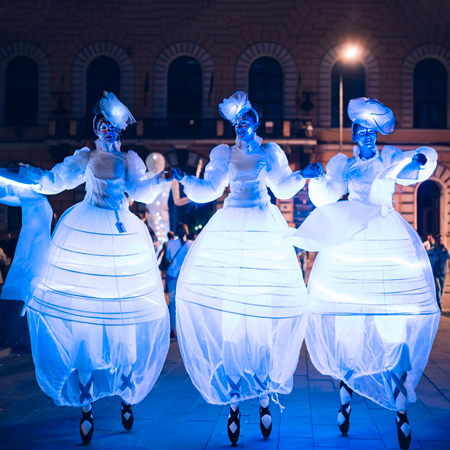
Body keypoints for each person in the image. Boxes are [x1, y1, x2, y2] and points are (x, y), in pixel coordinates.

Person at [3, 92, 172, 445]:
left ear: (119, 130)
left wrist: (160, 180)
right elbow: (55, 181)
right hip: (87, 230)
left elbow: (139, 191)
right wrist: (27, 174)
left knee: (122, 313)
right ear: (97, 128)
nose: (109, 131)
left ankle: (126, 389)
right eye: (103, 125)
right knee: (86, 315)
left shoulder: (129, 159)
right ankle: (86, 398)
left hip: (121, 234)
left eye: (113, 126)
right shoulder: (86, 157)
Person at [172, 91, 321, 446]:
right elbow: (210, 189)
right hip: (231, 225)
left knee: (262, 315)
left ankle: (266, 393)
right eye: (237, 121)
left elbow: (282, 187)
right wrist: (185, 180)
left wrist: (304, 175)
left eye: (247, 118)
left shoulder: (269, 152)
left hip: (262, 225)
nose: (242, 124)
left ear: (256, 120)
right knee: (234, 317)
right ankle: (235, 398)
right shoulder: (225, 153)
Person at [293, 97, 440, 450]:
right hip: (351, 239)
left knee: (393, 324)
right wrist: (314, 179)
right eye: (361, 130)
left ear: (376, 134)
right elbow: (328, 195)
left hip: (386, 236)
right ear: (355, 135)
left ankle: (400, 404)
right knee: (349, 323)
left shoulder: (389, 158)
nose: (367, 135)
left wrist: (418, 162)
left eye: (371, 130)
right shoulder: (344, 165)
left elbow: (409, 170)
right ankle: (345, 396)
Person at [165, 223, 193, 339]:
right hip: (185, 278)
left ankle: (172, 329)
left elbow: (168, 258)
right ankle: (184, 329)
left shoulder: (170, 243)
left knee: (172, 302)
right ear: (187, 232)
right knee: (185, 302)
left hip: (172, 275)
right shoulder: (191, 244)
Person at [428, 234, 449, 310]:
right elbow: (426, 259)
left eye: (441, 240)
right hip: (434, 272)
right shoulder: (431, 251)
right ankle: (438, 305)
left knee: (442, 290)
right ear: (435, 241)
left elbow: (449, 256)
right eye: (438, 240)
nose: (439, 242)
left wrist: (445, 250)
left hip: (442, 272)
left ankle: (438, 301)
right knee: (438, 289)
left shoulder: (444, 251)